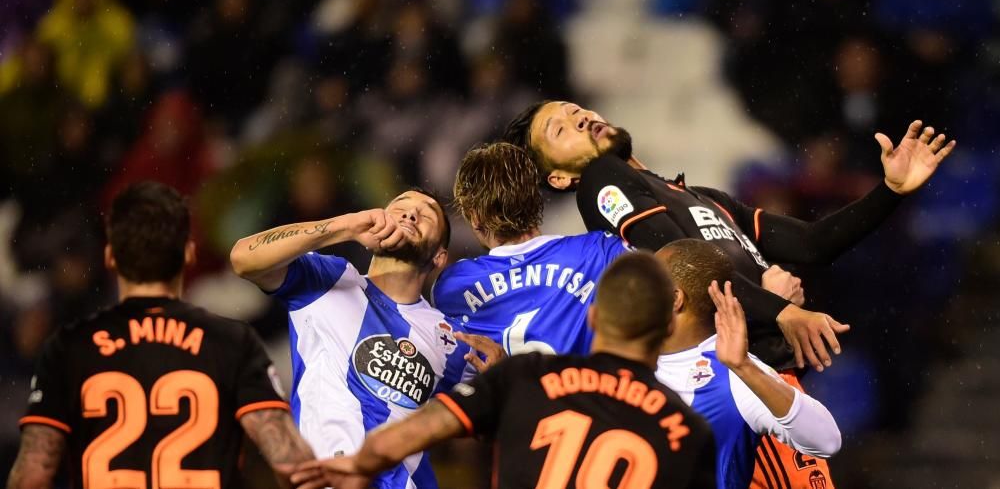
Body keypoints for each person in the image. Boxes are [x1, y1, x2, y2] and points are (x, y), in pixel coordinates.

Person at [502, 100, 955, 373]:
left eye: (577, 110)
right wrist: (779, 311)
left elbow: (812, 244)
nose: (580, 118)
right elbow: (678, 259)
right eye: (560, 128)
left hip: (764, 378)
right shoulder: (602, 179)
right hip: (720, 382)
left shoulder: (702, 197)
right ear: (559, 178)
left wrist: (890, 191)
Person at [291, 251, 718, 489]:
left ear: (594, 317)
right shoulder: (686, 430)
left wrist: (360, 463)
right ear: (666, 325)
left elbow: (411, 434)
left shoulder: (527, 377)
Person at [6, 181, 314, 489]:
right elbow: (293, 466)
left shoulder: (68, 349)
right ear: (189, 254)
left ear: (111, 256)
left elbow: (33, 476)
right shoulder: (231, 342)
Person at [230, 189, 503, 489]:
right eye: (400, 207)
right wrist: (345, 226)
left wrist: (499, 382)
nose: (411, 214)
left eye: (426, 214)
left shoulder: (451, 337)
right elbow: (243, 257)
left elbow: (498, 419)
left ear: (439, 257)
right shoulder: (329, 279)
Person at [656, 239, 842, 489]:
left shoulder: (734, 375)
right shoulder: (624, 359)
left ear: (675, 299)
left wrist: (744, 367)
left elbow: (826, 440)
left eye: (645, 280)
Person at [434, 141, 628, 355]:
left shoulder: (451, 287)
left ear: (475, 218)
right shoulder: (601, 251)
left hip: (508, 388)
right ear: (536, 198)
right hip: (592, 385)